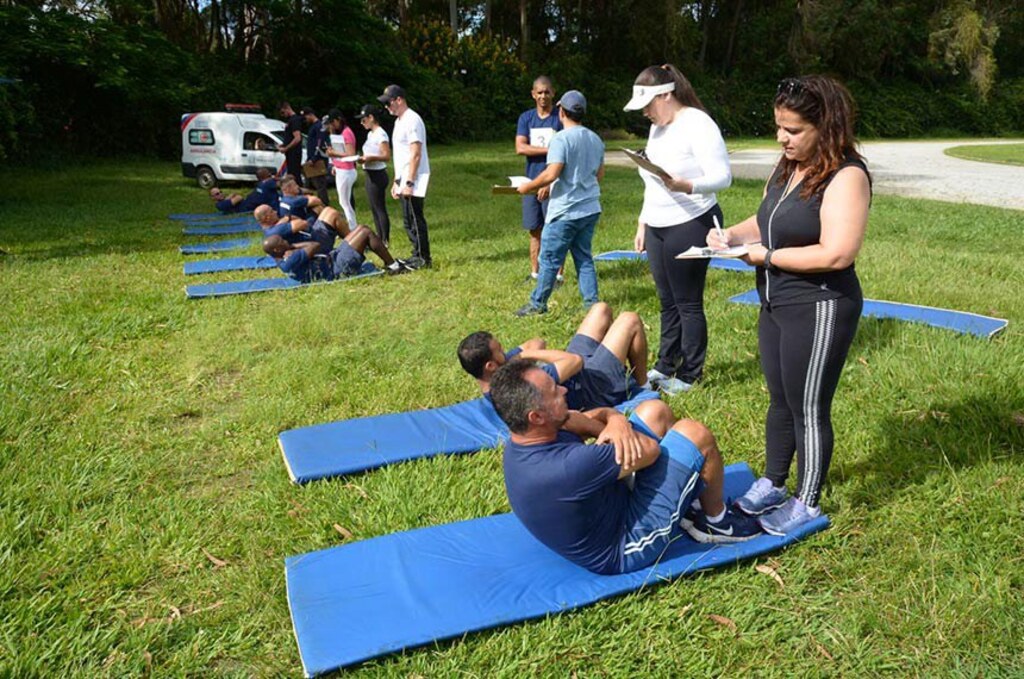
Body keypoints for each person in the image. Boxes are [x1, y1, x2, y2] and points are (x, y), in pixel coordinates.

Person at [707, 75, 870, 535]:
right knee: (780, 399)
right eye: (779, 127)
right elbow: (767, 221)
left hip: (820, 304)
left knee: (808, 405)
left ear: (826, 126)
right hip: (775, 300)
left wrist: (767, 257)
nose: (783, 138)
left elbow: (838, 252)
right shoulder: (786, 168)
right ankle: (774, 481)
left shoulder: (846, 175)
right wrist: (733, 236)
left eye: (794, 130)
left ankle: (808, 500)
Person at [491, 359, 761, 575]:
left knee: (655, 411)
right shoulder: (566, 467)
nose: (563, 390)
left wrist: (616, 421)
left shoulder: (531, 434)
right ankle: (716, 522)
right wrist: (613, 423)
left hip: (609, 503)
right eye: (554, 391)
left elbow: (593, 418)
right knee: (695, 434)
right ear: (536, 416)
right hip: (623, 546)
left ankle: (685, 502)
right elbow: (649, 451)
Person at [624, 64, 732, 396]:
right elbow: (652, 180)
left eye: (648, 105)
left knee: (687, 302)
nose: (644, 113)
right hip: (658, 225)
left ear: (667, 95)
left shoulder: (698, 124)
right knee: (666, 301)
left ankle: (689, 374)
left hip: (691, 222)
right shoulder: (658, 127)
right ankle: (666, 364)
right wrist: (643, 221)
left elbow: (723, 176)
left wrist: (686, 185)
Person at [457, 302, 650, 410]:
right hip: (594, 388)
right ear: (490, 366)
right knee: (629, 319)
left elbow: (538, 342)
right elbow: (575, 361)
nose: (506, 352)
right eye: (500, 350)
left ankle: (617, 359)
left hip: (576, 373)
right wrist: (524, 355)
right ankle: (643, 387)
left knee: (601, 310)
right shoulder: (515, 385)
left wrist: (515, 358)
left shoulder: (499, 369)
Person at [515, 90, 604, 316]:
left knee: (549, 259)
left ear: (561, 111)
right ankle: (591, 306)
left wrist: (529, 187)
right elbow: (599, 175)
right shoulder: (596, 139)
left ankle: (537, 304)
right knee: (583, 257)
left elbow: (552, 173)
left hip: (565, 210)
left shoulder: (561, 139)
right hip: (590, 208)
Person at [515, 76, 563, 282]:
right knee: (534, 230)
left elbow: (565, 154)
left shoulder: (560, 119)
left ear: (553, 93)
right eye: (539, 92)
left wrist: (550, 182)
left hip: (554, 183)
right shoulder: (526, 118)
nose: (543, 96)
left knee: (555, 230)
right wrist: (549, 148)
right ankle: (535, 273)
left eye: (547, 92)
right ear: (533, 94)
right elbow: (520, 147)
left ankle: (558, 276)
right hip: (531, 181)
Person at [378, 84, 431, 269]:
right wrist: (396, 181)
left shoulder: (412, 120)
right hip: (404, 177)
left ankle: (424, 258)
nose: (387, 107)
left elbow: (415, 153)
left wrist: (409, 182)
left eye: (389, 103)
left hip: (414, 177)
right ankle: (415, 254)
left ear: (399, 100)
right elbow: (400, 155)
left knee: (416, 219)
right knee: (408, 220)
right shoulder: (399, 121)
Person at [263, 223, 407, 283]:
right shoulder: (290, 260)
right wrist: (293, 245)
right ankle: (393, 266)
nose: (285, 241)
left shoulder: (282, 255)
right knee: (366, 232)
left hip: (332, 258)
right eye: (282, 241)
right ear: (277, 249)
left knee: (362, 228)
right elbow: (315, 245)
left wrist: (290, 247)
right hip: (337, 268)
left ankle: (391, 264)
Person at [356, 104, 392, 246]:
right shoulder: (370, 134)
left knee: (379, 207)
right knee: (373, 207)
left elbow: (386, 155)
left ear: (371, 117)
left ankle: (385, 239)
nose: (362, 123)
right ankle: (379, 237)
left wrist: (370, 158)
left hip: (378, 174)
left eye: (364, 120)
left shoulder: (381, 134)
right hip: (369, 173)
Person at [256, 203, 349, 254]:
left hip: (310, 240)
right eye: (272, 211)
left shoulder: (269, 230)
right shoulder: (278, 229)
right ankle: (351, 241)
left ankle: (348, 238)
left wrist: (286, 219)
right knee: (332, 213)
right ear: (267, 218)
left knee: (326, 210)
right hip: (316, 244)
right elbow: (303, 223)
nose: (276, 212)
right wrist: (287, 218)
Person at [324, 109, 359, 234]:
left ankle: (353, 229)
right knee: (344, 201)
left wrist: (334, 153)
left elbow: (351, 154)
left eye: (332, 123)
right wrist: (335, 164)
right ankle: (352, 227)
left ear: (338, 120)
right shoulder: (340, 133)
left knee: (344, 202)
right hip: (341, 170)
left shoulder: (346, 133)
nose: (331, 126)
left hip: (346, 171)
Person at [208, 168, 279, 214]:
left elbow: (235, 194)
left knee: (262, 187)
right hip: (248, 206)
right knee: (264, 188)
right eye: (217, 194)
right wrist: (231, 197)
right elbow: (239, 197)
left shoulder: (225, 201)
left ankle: (271, 180)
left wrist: (229, 197)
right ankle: (272, 181)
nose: (220, 194)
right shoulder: (220, 204)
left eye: (220, 192)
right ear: (213, 198)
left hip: (250, 201)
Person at [301, 107, 331, 206]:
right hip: (311, 159)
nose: (305, 120)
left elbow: (319, 144)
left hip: (318, 160)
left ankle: (324, 205)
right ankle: (308, 203)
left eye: (305, 117)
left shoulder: (319, 126)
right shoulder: (314, 126)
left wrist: (314, 159)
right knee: (308, 184)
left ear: (310, 114)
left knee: (320, 184)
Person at [277, 102, 305, 183]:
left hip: (294, 153)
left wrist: (286, 148)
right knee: (291, 174)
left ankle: (298, 192)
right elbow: (291, 137)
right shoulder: (290, 121)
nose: (283, 115)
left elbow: (297, 138)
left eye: (283, 112)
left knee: (294, 175)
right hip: (290, 153)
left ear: (287, 108)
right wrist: (283, 144)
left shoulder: (295, 120)